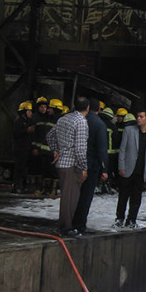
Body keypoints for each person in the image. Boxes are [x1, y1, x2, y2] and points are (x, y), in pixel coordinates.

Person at [47, 97, 89, 237]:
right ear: (87, 108)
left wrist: (56, 150)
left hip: (62, 163)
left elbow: (50, 135)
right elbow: (80, 148)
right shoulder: (81, 122)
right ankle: (66, 227)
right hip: (72, 163)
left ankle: (65, 225)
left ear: (73, 105)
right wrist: (83, 167)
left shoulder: (63, 119)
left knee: (66, 196)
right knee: (70, 198)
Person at [72, 98, 109, 233]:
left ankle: (68, 221)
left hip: (72, 163)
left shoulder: (74, 121)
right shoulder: (99, 125)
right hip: (90, 165)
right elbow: (102, 149)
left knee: (72, 194)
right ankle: (79, 224)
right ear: (98, 110)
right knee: (85, 196)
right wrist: (104, 169)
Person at [116, 108, 146, 228]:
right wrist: (121, 166)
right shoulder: (129, 131)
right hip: (128, 168)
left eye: (141, 116)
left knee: (136, 197)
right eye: (137, 116)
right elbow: (122, 150)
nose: (138, 118)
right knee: (123, 196)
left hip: (141, 170)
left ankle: (132, 219)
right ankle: (119, 218)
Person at [31, 97, 57, 195]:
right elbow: (39, 136)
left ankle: (52, 189)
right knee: (44, 170)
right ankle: (46, 189)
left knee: (52, 171)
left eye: (47, 107)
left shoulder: (57, 121)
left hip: (52, 152)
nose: (46, 109)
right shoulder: (44, 119)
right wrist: (36, 147)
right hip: (45, 151)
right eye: (42, 107)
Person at [12, 101, 34, 193]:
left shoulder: (29, 121)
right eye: (29, 111)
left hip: (27, 148)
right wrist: (26, 131)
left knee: (26, 168)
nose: (31, 113)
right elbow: (15, 133)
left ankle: (24, 185)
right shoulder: (19, 122)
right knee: (19, 167)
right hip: (20, 149)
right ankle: (17, 185)